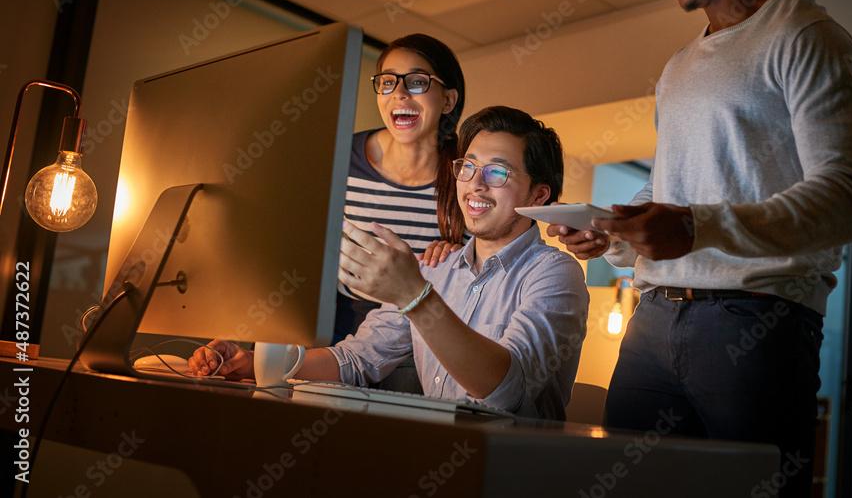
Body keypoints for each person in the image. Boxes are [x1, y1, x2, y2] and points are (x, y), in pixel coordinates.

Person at [548, 0, 852, 495]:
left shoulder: (807, 37)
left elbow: (851, 197)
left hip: (753, 325)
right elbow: (674, 193)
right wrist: (612, 233)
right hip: (652, 320)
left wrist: (700, 226)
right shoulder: (678, 68)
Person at [191, 106, 590, 420]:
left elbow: (505, 393)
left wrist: (414, 295)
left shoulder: (555, 273)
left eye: (497, 172)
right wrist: (264, 365)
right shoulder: (437, 268)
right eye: (467, 166)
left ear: (539, 196)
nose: (474, 184)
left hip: (512, 471)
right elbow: (357, 359)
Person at [337, 33, 466, 393]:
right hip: (336, 326)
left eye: (418, 81)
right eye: (388, 81)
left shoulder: (467, 175)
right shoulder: (340, 157)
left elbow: (488, 262)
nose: (400, 93)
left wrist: (459, 258)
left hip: (416, 346)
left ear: (448, 99)